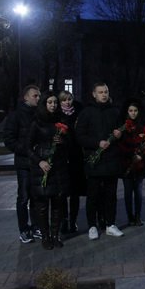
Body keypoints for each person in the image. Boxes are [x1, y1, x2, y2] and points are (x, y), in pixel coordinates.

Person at [75, 82, 124, 240]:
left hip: (111, 161)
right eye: (101, 92)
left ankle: (110, 224)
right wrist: (97, 143)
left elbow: (121, 131)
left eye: (106, 91)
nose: (104, 94)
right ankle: (92, 226)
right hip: (94, 161)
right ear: (94, 94)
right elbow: (80, 136)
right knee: (93, 196)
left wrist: (118, 135)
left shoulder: (115, 111)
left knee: (111, 195)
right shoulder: (86, 112)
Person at [28, 91, 70, 249]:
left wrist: (63, 141)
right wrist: (40, 162)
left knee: (58, 204)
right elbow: (28, 147)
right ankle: (45, 236)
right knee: (43, 205)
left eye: (55, 102)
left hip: (58, 168)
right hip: (42, 169)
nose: (53, 105)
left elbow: (69, 145)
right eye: (50, 102)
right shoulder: (36, 123)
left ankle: (55, 235)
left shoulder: (61, 121)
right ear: (44, 104)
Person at [3, 84, 42, 243]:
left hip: (37, 163)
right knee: (23, 197)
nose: (38, 98)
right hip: (24, 163)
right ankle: (24, 230)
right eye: (35, 96)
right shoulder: (16, 116)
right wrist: (27, 150)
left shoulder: (39, 115)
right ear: (26, 97)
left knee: (36, 196)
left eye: (39, 96)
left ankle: (36, 227)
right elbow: (9, 140)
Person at [118, 99, 145, 226]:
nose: (133, 113)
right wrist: (131, 155)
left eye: (135, 111)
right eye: (131, 111)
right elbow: (121, 144)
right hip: (127, 163)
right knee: (127, 192)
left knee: (138, 191)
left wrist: (141, 156)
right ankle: (130, 216)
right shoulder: (124, 126)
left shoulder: (143, 126)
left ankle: (138, 216)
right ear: (127, 112)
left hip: (139, 164)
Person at [58, 90, 86, 234]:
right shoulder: (57, 115)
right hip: (63, 157)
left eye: (69, 99)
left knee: (75, 193)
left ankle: (73, 221)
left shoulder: (79, 113)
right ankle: (64, 220)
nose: (67, 102)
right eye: (64, 100)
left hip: (76, 157)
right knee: (63, 192)